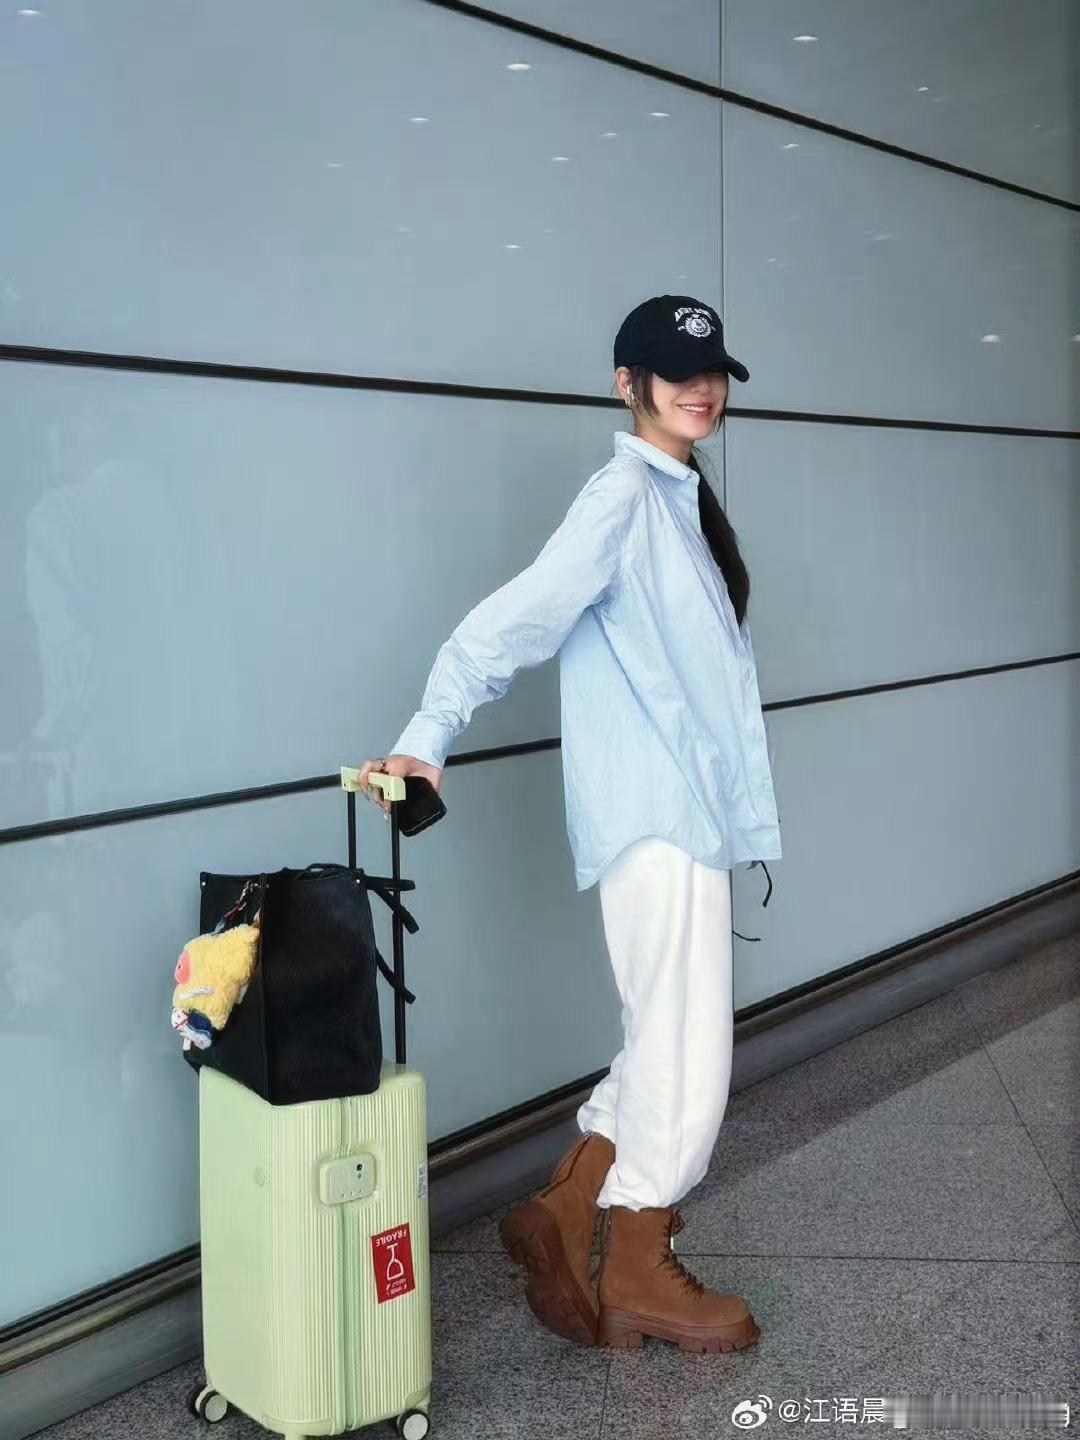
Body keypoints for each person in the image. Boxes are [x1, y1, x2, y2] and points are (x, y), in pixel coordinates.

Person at [355, 294, 781, 1354]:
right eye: (674, 370)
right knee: (687, 1044)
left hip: (679, 814)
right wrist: (427, 735)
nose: (699, 387)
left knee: (663, 1029)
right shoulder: (623, 499)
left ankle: (570, 1200)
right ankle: (637, 1265)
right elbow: (513, 619)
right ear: (626, 383)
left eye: (711, 371)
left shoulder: (677, 499)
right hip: (657, 818)